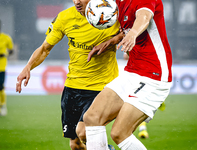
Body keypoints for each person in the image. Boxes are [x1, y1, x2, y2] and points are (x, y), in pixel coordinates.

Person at [15, 0, 123, 149]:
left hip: (102, 88)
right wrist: (28, 66)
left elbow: (131, 33)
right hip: (72, 88)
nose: (77, 1)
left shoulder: (111, 14)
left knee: (84, 132)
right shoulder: (65, 17)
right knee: (75, 144)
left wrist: (113, 40)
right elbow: (45, 48)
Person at [83, 0, 172, 149]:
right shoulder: (118, 3)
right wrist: (110, 41)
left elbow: (144, 16)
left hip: (154, 75)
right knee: (92, 117)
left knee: (119, 133)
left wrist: (133, 34)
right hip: (132, 72)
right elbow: (126, 29)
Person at [0, 20, 14, 116]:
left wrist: (5, 54)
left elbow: (11, 50)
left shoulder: (6, 38)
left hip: (1, 67)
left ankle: (2, 105)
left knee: (0, 87)